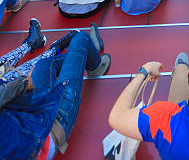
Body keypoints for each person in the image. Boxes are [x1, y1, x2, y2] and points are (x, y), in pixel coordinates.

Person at [0, 22, 110, 159]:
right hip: (49, 128)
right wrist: (24, 84)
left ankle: (84, 54)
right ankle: (95, 64)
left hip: (31, 113)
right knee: (82, 38)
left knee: (44, 64)